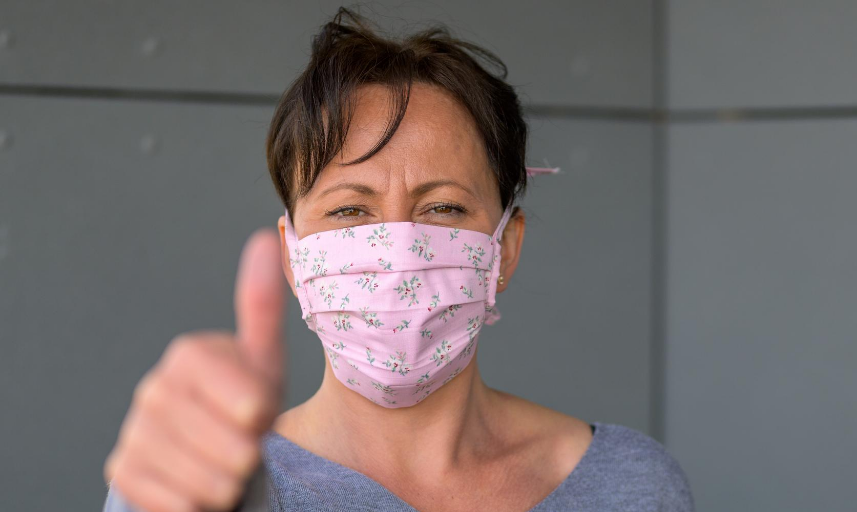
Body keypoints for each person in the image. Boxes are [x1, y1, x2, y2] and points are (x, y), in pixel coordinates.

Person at [102, 7, 695, 512]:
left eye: (442, 208)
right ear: (292, 255)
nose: (398, 252)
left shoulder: (631, 486)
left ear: (505, 250)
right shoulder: (203, 481)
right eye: (349, 212)